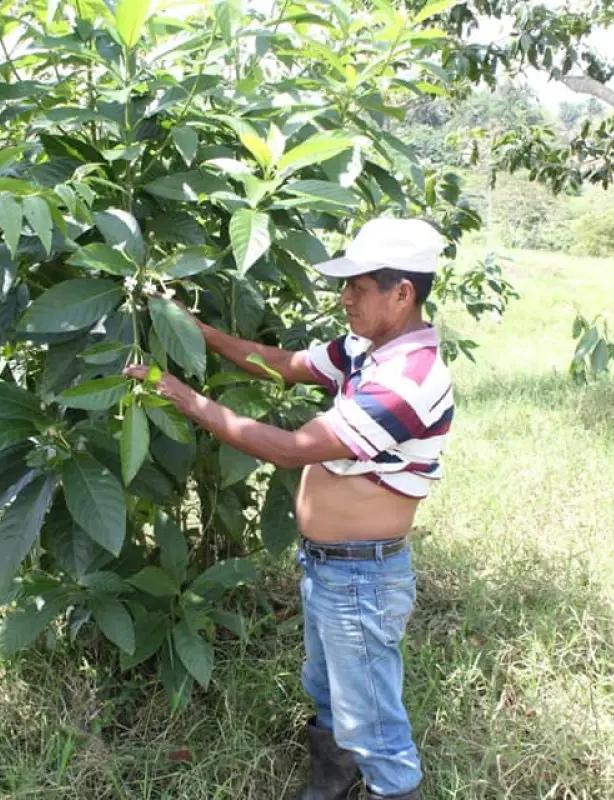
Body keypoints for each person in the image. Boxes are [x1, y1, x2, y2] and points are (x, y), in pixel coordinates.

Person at [124, 217, 453, 800]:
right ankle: (334, 775)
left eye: (359, 286)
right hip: (331, 565)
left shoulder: (411, 379)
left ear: (402, 293)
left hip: (363, 575)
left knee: (372, 718)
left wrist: (182, 395)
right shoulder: (365, 350)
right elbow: (284, 363)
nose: (345, 298)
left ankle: (390, 786)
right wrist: (189, 328)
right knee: (329, 688)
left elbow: (289, 448)